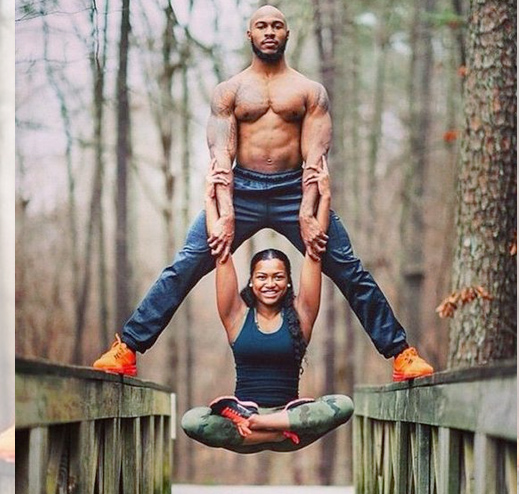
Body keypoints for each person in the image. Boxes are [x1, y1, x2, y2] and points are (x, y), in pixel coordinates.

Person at [93, 4, 433, 382]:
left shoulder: (309, 92)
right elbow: (220, 159)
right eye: (261, 26)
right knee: (188, 262)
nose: (269, 31)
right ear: (250, 35)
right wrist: (226, 214)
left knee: (347, 267)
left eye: (276, 26)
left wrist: (308, 211)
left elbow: (316, 159)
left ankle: (401, 354)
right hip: (242, 189)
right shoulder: (230, 91)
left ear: (287, 34)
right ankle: (127, 347)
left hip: (293, 189)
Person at [180, 159, 353, 453]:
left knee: (343, 405)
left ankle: (266, 426)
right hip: (248, 425)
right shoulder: (236, 316)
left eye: (277, 277)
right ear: (252, 282)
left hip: (287, 417)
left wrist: (324, 197)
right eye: (262, 276)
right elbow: (220, 252)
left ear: (288, 282)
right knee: (191, 420)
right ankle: (272, 431)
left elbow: (315, 252)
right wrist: (211, 200)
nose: (269, 283)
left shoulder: (301, 315)